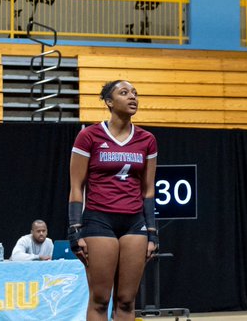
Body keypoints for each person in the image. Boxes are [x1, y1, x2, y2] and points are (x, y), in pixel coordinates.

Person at [68, 80, 158, 321]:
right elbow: (76, 187)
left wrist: (153, 232)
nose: (133, 97)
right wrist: (75, 229)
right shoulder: (89, 136)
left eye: (135, 93)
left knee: (127, 301)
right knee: (100, 299)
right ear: (109, 102)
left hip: (134, 223)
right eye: (124, 93)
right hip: (99, 220)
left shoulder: (147, 139)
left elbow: (148, 190)